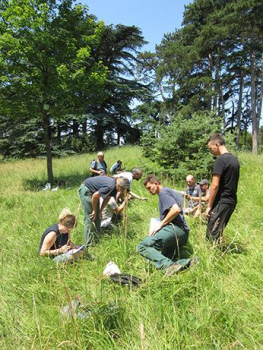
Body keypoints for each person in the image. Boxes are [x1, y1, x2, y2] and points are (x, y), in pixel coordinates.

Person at [137, 175, 193, 276]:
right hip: (182, 233)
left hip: (175, 229)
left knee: (142, 246)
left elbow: (176, 209)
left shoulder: (163, 193)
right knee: (163, 262)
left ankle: (170, 266)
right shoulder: (168, 191)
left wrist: (160, 225)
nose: (149, 191)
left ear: (156, 184)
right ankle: (187, 263)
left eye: (150, 188)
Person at [205, 133, 240, 243]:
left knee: (211, 235)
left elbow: (215, 185)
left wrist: (209, 206)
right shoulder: (235, 160)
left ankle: (212, 257)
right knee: (218, 232)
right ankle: (219, 255)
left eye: (211, 148)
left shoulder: (220, 160)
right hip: (231, 201)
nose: (211, 152)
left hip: (222, 201)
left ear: (217, 144)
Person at [79, 176, 130, 246]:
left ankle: (97, 239)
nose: (122, 191)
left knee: (98, 217)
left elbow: (107, 198)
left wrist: (100, 211)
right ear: (119, 185)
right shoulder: (111, 186)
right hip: (87, 190)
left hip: (94, 194)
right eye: (123, 189)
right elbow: (95, 196)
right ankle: (87, 245)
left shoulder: (115, 188)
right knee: (90, 218)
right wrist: (94, 211)